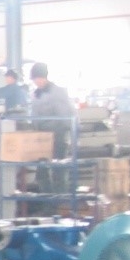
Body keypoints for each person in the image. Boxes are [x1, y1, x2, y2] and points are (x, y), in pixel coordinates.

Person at [27, 62, 76, 196]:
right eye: (35, 79)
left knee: (58, 172)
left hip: (58, 136)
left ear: (45, 77)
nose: (37, 82)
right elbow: (34, 115)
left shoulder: (58, 92)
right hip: (42, 138)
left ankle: (60, 203)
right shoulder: (36, 94)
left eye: (38, 78)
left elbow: (65, 116)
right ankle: (49, 202)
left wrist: (65, 135)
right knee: (41, 173)